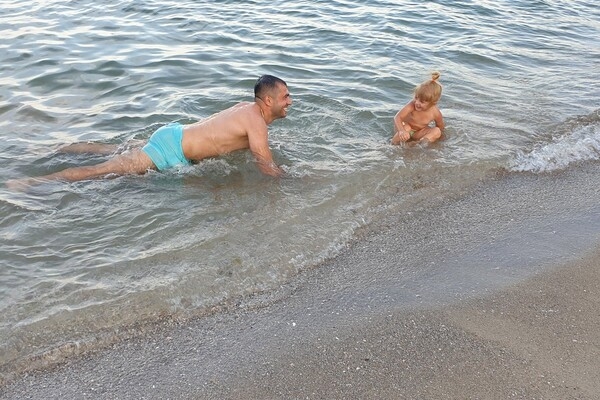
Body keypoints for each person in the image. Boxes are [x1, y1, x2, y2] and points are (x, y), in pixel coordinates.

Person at [6, 75, 292, 189]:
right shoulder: (256, 121)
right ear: (268, 101)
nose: (290, 101)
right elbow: (265, 165)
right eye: (286, 96)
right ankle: (31, 182)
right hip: (171, 150)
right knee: (101, 170)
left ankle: (50, 149)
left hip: (173, 134)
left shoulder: (245, 108)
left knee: (110, 150)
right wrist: (294, 181)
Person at [391, 71, 445, 144]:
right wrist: (401, 131)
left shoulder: (435, 113)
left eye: (422, 101)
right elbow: (397, 117)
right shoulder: (412, 105)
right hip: (405, 130)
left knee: (437, 131)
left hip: (418, 133)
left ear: (433, 103)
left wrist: (441, 140)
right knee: (407, 128)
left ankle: (418, 144)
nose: (417, 103)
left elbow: (441, 128)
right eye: (416, 98)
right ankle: (392, 144)